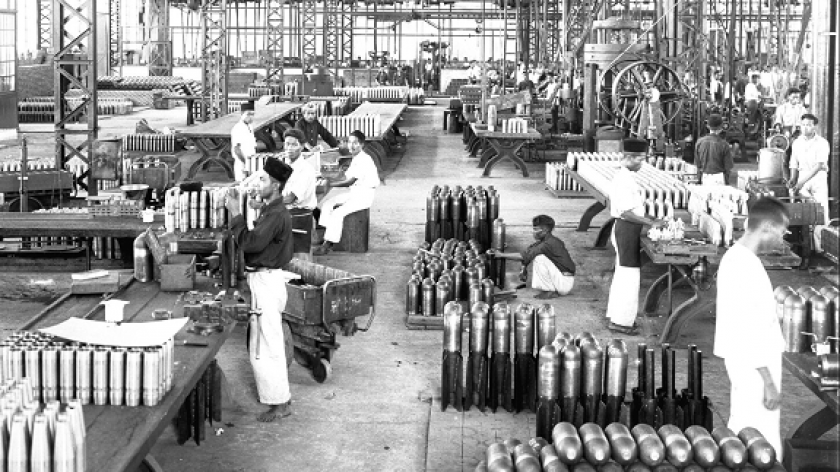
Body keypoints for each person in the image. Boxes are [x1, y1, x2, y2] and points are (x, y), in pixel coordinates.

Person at [715, 196, 789, 461]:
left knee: (747, 433)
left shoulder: (739, 258)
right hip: (755, 368)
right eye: (781, 232)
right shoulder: (743, 265)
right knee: (758, 440)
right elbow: (747, 328)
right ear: (767, 226)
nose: (781, 239)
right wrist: (768, 382)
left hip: (751, 363)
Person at [226, 157, 295, 422]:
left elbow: (250, 243)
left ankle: (281, 404)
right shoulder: (272, 208)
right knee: (263, 343)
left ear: (276, 186)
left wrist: (235, 213)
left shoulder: (277, 214)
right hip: (266, 280)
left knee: (268, 346)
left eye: (263, 180)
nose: (258, 184)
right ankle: (275, 398)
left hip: (267, 282)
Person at [605, 139, 663, 334]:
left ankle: (617, 317)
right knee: (629, 278)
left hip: (627, 228)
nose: (642, 163)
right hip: (627, 229)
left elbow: (633, 209)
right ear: (628, 157)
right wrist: (651, 223)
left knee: (623, 276)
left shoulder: (625, 176)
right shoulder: (624, 180)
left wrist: (649, 217)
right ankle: (622, 322)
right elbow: (627, 213)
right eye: (640, 159)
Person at [313, 130, 380, 255]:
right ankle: (325, 234)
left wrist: (330, 183)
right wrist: (326, 178)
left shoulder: (364, 160)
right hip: (355, 193)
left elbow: (349, 182)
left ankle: (327, 245)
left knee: (338, 213)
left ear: (362, 145)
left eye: (356, 143)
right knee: (326, 204)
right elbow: (344, 177)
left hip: (364, 196)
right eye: (350, 142)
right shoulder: (356, 158)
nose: (352, 146)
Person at [496, 215, 576, 299]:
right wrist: (524, 267)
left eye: (535, 229)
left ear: (545, 230)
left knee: (539, 259)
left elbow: (523, 256)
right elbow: (528, 252)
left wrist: (501, 255)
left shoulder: (548, 244)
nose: (533, 232)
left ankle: (549, 291)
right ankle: (552, 289)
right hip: (563, 279)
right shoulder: (548, 240)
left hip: (564, 283)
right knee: (536, 256)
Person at [788, 113, 830, 252]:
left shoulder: (822, 143)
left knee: (820, 211)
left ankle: (820, 247)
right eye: (803, 125)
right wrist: (793, 179)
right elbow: (793, 162)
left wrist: (800, 183)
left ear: (814, 126)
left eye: (809, 125)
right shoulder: (796, 142)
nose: (805, 128)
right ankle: (806, 245)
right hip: (802, 175)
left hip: (818, 177)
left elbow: (819, 166)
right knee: (803, 212)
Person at [695, 114, 734, 185]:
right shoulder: (724, 145)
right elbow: (728, 167)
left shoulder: (699, 142)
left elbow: (698, 165)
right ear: (721, 128)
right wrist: (727, 183)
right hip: (719, 178)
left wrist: (699, 179)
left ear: (708, 127)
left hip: (705, 177)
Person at [231, 103, 257, 182]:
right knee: (242, 184)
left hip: (251, 161)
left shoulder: (250, 127)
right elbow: (237, 149)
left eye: (252, 114)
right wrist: (247, 163)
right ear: (242, 114)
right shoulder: (238, 128)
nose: (250, 117)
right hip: (242, 163)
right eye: (248, 114)